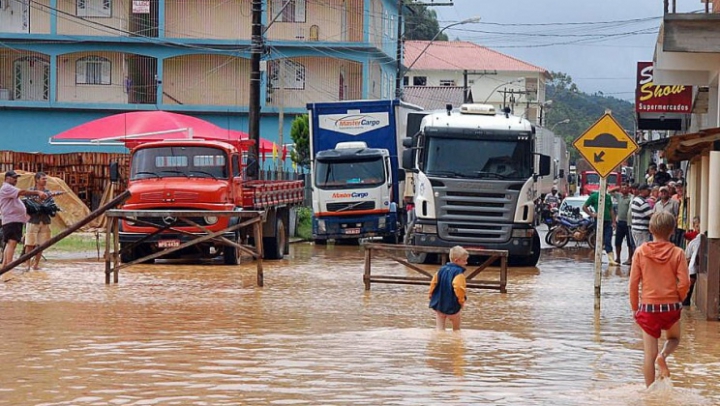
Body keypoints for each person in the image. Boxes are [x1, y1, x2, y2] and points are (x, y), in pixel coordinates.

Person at [629, 211, 690, 388]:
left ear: (650, 229)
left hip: (648, 308)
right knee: (674, 339)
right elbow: (685, 282)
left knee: (649, 355)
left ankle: (650, 394)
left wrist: (635, 308)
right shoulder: (678, 253)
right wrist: (679, 298)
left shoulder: (640, 252)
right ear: (672, 230)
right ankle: (663, 356)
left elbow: (633, 284)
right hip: (671, 306)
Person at [0, 170, 48, 268]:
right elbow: (22, 192)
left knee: (10, 242)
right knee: (12, 242)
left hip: (15, 219)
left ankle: (5, 265)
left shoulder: (10, 189)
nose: (16, 180)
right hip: (11, 219)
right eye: (14, 178)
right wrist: (37, 192)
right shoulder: (7, 188)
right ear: (7, 178)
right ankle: (9, 265)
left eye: (16, 178)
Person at [24, 172, 62, 271]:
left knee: (42, 244)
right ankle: (27, 264)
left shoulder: (48, 192)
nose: (45, 181)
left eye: (46, 179)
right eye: (43, 179)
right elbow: (28, 204)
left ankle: (36, 264)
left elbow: (51, 206)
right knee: (29, 243)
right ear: (37, 180)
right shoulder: (30, 192)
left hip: (45, 220)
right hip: (33, 220)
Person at [429, 246, 468, 331]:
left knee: (439, 329)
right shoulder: (459, 273)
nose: (466, 263)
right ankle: (454, 343)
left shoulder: (441, 270)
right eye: (464, 260)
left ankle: (440, 342)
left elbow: (433, 283)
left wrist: (430, 294)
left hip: (439, 304)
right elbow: (458, 287)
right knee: (457, 330)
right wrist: (461, 301)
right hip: (453, 305)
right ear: (456, 260)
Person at [583, 185, 619, 265]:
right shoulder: (594, 196)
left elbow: (611, 210)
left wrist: (613, 222)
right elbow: (584, 207)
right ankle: (597, 258)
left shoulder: (608, 197)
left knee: (608, 240)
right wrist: (592, 214)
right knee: (598, 240)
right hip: (598, 221)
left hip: (608, 221)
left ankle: (611, 260)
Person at [611, 182, 635, 265]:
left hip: (628, 222)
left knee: (629, 242)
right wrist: (618, 187)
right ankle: (618, 258)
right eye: (623, 188)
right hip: (620, 222)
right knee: (618, 241)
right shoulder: (619, 196)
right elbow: (610, 191)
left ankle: (630, 259)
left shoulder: (631, 197)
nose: (624, 189)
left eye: (626, 188)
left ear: (629, 189)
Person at [683, 227, 701, 306]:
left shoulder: (693, 242)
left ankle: (686, 301)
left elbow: (687, 257)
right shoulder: (696, 241)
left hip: (692, 269)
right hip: (694, 267)